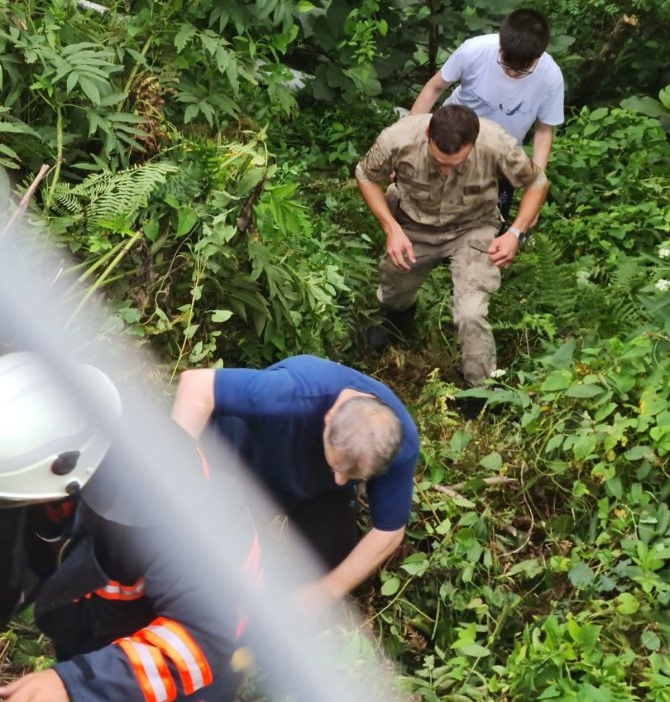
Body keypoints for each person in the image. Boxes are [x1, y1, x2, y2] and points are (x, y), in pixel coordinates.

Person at [0, 351, 255, 702]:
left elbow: (201, 640)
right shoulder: (42, 458)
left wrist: (74, 684)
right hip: (99, 624)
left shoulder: (175, 511)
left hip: (187, 659)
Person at [171, 354, 419, 610]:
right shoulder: (293, 392)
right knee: (211, 547)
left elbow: (389, 532)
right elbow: (196, 385)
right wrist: (180, 479)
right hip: (243, 452)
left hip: (313, 487)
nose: (340, 480)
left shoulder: (398, 445)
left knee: (333, 562)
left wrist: (325, 591)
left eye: (354, 476)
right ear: (329, 418)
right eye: (338, 467)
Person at [355, 104, 549, 411]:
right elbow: (365, 174)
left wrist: (514, 233)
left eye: (455, 164)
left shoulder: (496, 142)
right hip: (413, 224)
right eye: (439, 162)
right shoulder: (398, 138)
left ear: (474, 143)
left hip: (473, 228)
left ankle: (481, 392)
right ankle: (398, 320)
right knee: (393, 285)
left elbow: (537, 182)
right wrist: (391, 228)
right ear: (427, 133)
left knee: (471, 312)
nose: (446, 170)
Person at [409, 9, 564, 218]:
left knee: (489, 224)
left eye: (521, 70)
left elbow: (544, 131)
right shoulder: (474, 51)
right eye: (506, 64)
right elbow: (434, 88)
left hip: (499, 159)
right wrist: (409, 142)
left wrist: (534, 187)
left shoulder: (550, 77)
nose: (511, 72)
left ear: (539, 56)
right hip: (450, 142)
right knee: (426, 211)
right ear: (501, 44)